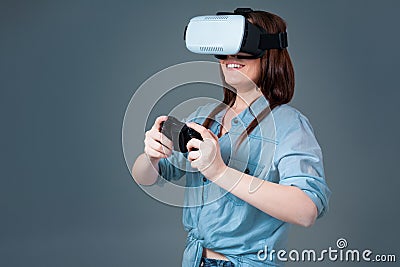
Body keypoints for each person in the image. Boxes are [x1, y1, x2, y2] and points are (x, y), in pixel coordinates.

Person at [132, 9, 331, 267]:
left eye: (242, 47)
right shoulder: (204, 117)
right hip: (195, 260)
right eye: (225, 48)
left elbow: (306, 211)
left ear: (269, 52)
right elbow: (148, 177)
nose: (231, 57)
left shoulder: (288, 124)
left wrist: (219, 172)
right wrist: (151, 156)